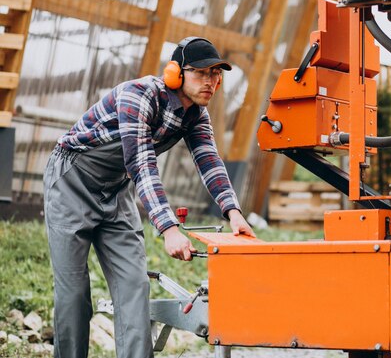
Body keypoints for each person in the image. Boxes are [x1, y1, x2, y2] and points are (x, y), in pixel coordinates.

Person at [43, 37, 254, 358]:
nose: (210, 82)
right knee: (74, 293)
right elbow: (140, 162)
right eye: (201, 74)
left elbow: (209, 160)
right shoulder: (138, 96)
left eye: (215, 75)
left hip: (115, 188)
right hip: (71, 181)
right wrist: (169, 229)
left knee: (134, 287)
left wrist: (233, 212)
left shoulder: (196, 114)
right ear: (175, 74)